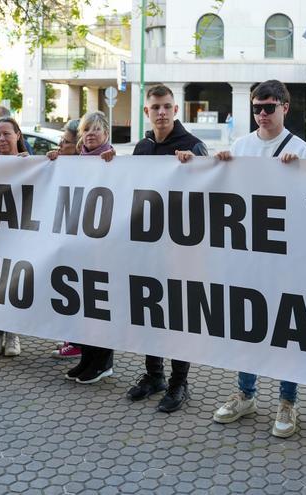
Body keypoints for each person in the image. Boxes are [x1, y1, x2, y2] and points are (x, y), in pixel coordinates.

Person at [212, 80, 306, 438]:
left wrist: (299, 173)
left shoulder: (302, 150)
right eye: (257, 107)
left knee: (286, 327)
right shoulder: (241, 146)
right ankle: (246, 393)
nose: (262, 114)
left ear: (285, 107)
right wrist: (221, 166)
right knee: (248, 325)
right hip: (247, 254)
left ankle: (288, 400)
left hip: (285, 257)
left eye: (269, 107)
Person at [122, 84, 208, 413]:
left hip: (182, 248)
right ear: (147, 112)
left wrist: (195, 166)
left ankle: (178, 382)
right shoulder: (142, 148)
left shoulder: (192, 145)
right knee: (150, 311)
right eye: (155, 107)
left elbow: (215, 186)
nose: (161, 112)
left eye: (167, 106)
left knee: (177, 315)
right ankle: (154, 375)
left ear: (176, 110)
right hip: (148, 245)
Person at [49, 112, 116, 383]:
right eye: (87, 130)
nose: (91, 134)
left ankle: (103, 362)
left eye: (97, 130)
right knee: (84, 305)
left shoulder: (113, 161)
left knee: (99, 305)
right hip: (80, 244)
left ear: (106, 134)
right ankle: (87, 358)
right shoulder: (74, 162)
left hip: (102, 245)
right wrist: (54, 160)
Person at [0, 116, 32, 357]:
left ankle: (13, 336)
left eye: (6, 134)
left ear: (17, 135)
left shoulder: (31, 163)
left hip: (19, 235)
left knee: (13, 286)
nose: (1, 138)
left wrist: (38, 162)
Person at [49, 119, 83, 360]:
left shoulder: (88, 165)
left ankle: (81, 343)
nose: (60, 144)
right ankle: (72, 338)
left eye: (65, 141)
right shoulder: (60, 164)